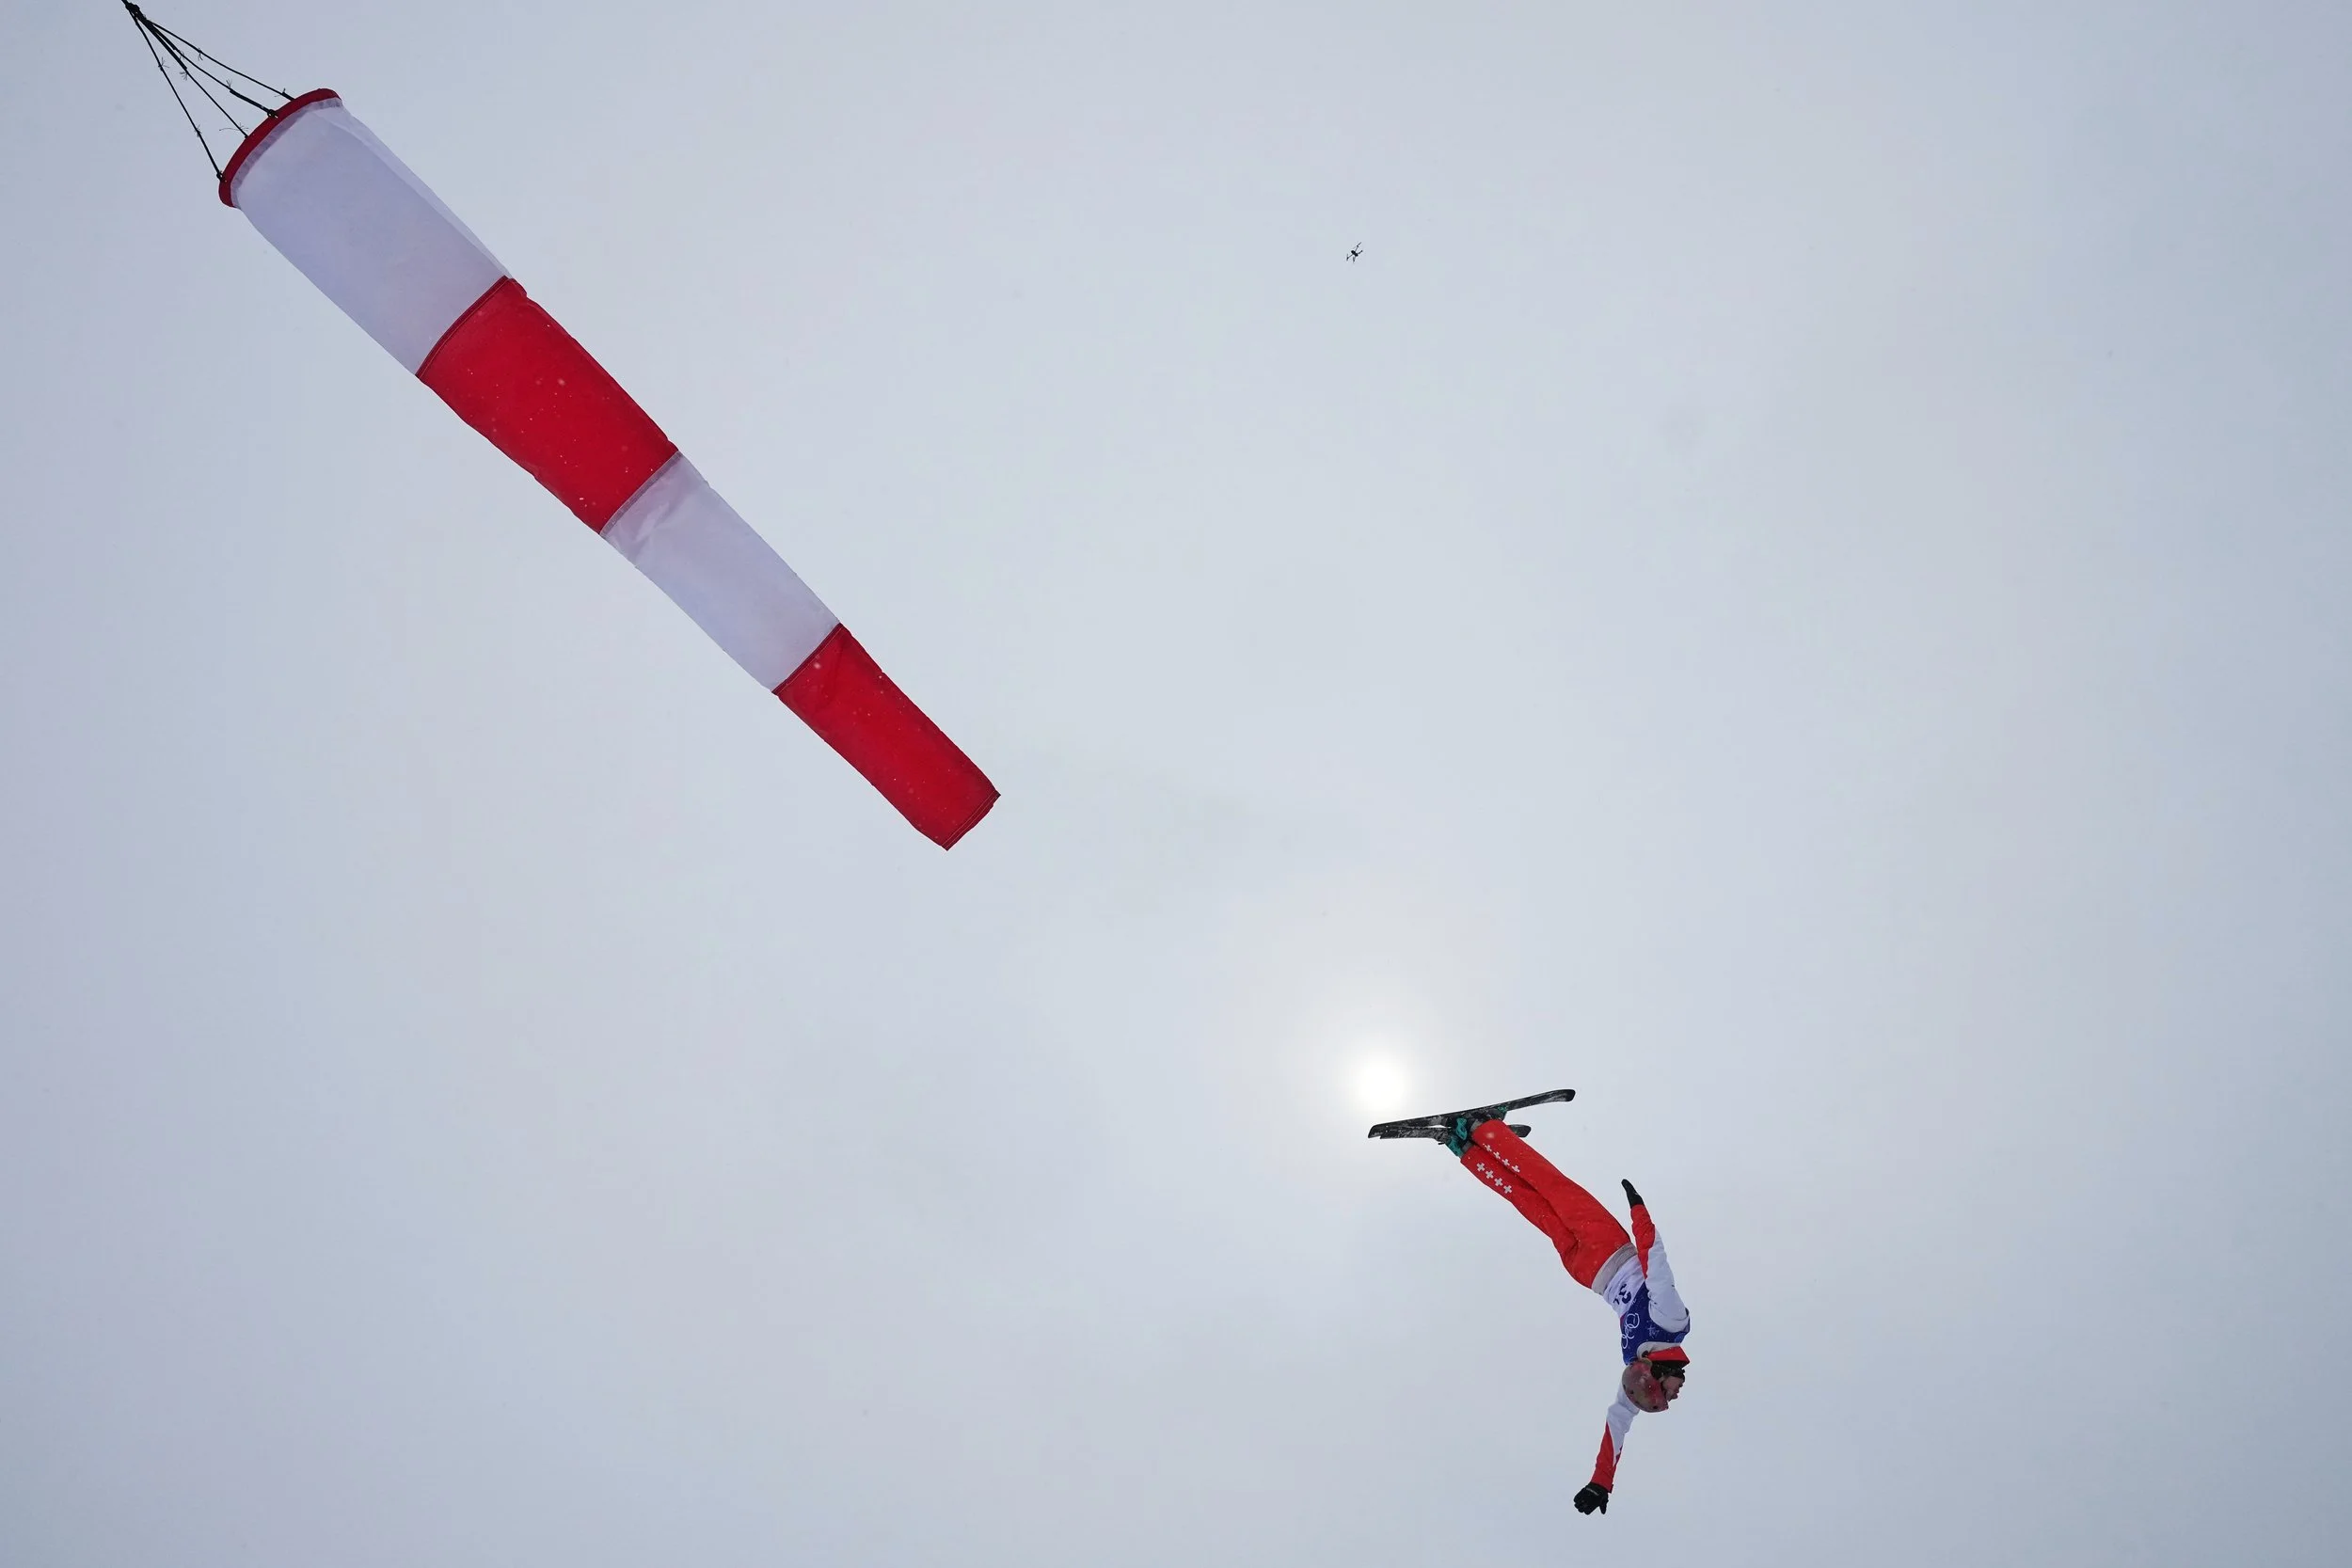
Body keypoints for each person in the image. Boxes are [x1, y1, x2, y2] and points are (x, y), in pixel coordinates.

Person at [1422, 1107, 1691, 1515]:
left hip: (1606, 1248)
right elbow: (1617, 1424)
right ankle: (1466, 1149)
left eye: (1668, 1395)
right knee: (1530, 1203)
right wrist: (1601, 1483)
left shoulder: (1673, 1326)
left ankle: (1483, 1130)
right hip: (1585, 1272)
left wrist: (1638, 1211)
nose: (1677, 1394)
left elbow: (1656, 1260)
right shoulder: (1637, 1361)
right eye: (1671, 1396)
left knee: (1548, 1184)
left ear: (1656, 1375)